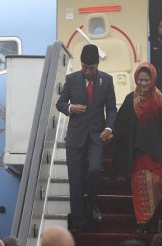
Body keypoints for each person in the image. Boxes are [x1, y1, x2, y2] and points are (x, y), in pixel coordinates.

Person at [111, 62, 162, 234]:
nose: (143, 84)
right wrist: (111, 133)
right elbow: (120, 123)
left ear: (153, 80)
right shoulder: (130, 99)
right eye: (140, 80)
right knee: (139, 185)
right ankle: (142, 222)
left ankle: (148, 217)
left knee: (156, 182)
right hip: (136, 154)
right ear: (136, 79)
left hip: (156, 153)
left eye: (146, 80)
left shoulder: (160, 99)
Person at [56, 44, 117, 233]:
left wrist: (109, 127)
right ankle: (80, 223)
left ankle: (92, 203)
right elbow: (60, 103)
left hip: (97, 135)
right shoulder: (71, 79)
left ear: (97, 65)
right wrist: (70, 108)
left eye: (91, 68)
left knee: (94, 169)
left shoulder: (106, 80)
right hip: (75, 136)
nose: (87, 71)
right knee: (74, 182)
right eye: (84, 67)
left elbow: (112, 108)